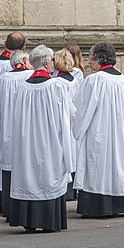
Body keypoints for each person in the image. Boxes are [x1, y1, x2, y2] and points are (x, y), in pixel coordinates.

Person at [73, 43, 124, 217]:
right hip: (121, 134)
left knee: (99, 165)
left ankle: (99, 205)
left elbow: (81, 110)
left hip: (101, 132)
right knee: (119, 163)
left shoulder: (94, 80)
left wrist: (76, 131)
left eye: (90, 59)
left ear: (99, 59)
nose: (89, 63)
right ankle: (122, 203)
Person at [8, 45, 74, 233]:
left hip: (27, 141)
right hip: (50, 140)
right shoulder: (56, 86)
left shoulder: (22, 87)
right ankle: (48, 221)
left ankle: (29, 220)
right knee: (48, 173)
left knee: (30, 174)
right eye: (52, 60)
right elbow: (68, 114)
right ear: (46, 63)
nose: (54, 63)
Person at [0, 49, 33, 220]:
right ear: (24, 60)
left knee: (9, 167)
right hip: (26, 132)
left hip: (6, 130)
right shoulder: (30, 76)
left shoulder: (2, 79)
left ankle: (10, 210)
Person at [54, 49, 81, 201]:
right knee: (72, 154)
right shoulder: (75, 81)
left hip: (63, 124)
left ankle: (65, 190)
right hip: (72, 123)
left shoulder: (58, 83)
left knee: (63, 154)